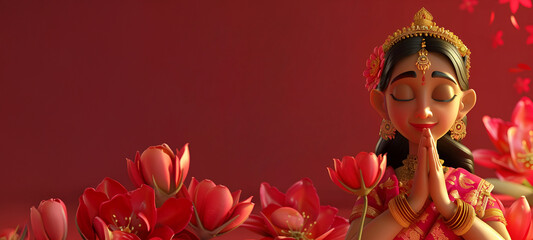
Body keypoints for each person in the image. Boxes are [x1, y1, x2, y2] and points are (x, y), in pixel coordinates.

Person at [346, 8, 511, 240]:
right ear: (382, 104)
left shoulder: (473, 190)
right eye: (403, 93)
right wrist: (410, 205)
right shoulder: (379, 193)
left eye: (442, 94)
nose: (423, 110)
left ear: (464, 104)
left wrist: (448, 206)